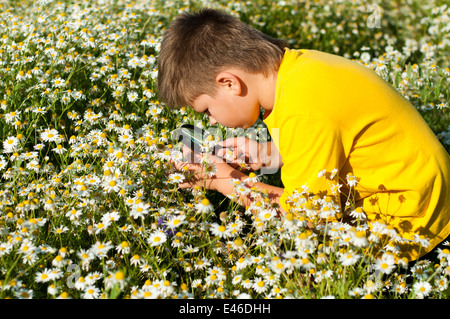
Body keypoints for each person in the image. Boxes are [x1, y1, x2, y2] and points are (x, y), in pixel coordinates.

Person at [157, 8, 450, 261]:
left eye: (207, 110)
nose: (212, 120)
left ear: (230, 83)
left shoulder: (302, 109)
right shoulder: (299, 70)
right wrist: (271, 153)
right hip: (425, 196)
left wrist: (223, 181)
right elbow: (340, 137)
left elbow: (305, 219)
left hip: (416, 227)